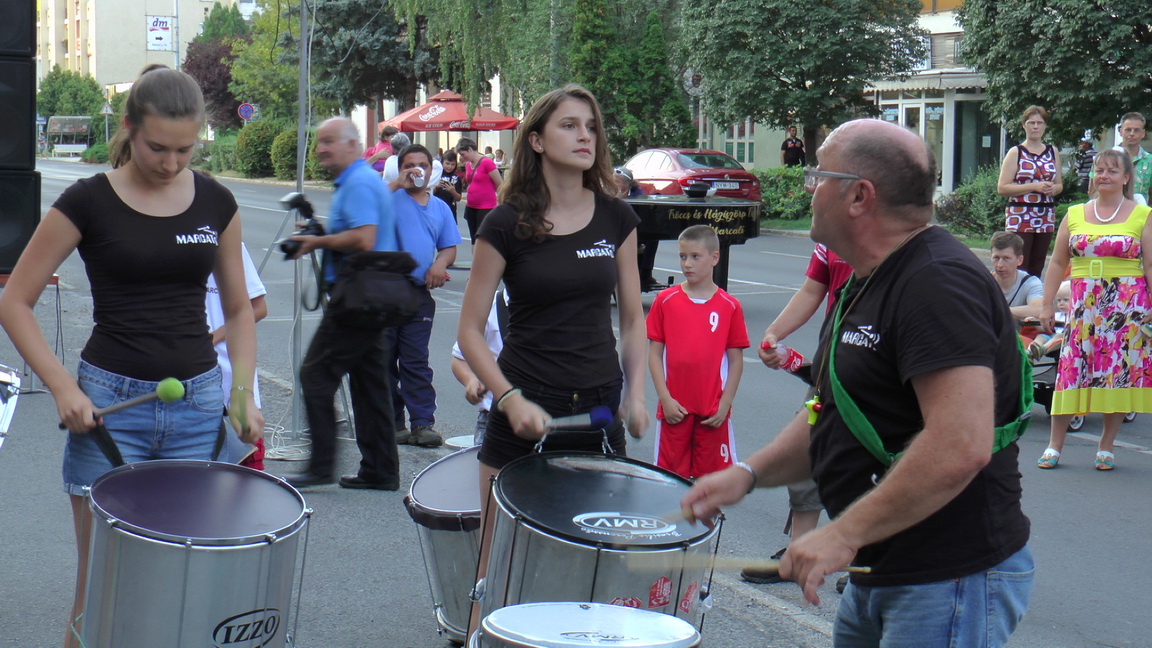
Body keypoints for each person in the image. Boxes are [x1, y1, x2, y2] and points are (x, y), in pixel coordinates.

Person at [681, 119, 1033, 647]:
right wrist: (749, 474)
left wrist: (841, 534)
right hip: (884, 567)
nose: (808, 187)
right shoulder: (869, 278)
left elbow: (961, 444)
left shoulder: (936, 282)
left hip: (948, 576)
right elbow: (829, 412)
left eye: (818, 175)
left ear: (859, 196)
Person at [0, 65, 263, 648]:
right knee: (101, 590)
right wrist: (63, 387)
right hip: (109, 409)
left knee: (179, 588)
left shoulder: (216, 201)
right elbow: (14, 301)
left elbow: (240, 310)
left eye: (185, 150)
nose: (171, 163)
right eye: (157, 148)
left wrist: (242, 393)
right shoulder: (87, 201)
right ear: (129, 127)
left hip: (197, 408)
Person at [457, 84, 650, 635]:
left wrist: (636, 394)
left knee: (595, 569)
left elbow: (632, 320)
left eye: (591, 126)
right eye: (569, 125)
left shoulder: (617, 218)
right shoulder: (505, 223)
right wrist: (509, 398)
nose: (585, 135)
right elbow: (469, 331)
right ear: (537, 141)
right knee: (498, 566)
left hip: (599, 407)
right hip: (524, 403)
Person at [283, 117, 400, 490]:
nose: (321, 149)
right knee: (370, 384)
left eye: (329, 141)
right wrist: (321, 233)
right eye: (319, 142)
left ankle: (321, 467)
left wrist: (317, 242)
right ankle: (381, 470)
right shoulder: (360, 179)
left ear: (352, 144)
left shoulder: (359, 182)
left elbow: (364, 239)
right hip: (373, 294)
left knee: (316, 375)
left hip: (357, 297)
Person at [741, 241, 851, 586]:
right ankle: (798, 554)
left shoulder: (890, 233)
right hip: (830, 369)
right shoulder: (831, 240)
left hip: (877, 371)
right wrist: (774, 332)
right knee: (808, 451)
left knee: (868, 465)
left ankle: (867, 561)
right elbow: (811, 290)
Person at [1037, 148, 1152, 471]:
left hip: (1127, 307)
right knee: (1071, 371)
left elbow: (1150, 264)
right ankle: (1054, 445)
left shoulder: (1143, 215)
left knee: (1118, 374)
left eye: (1112, 171)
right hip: (1083, 306)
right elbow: (1057, 262)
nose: (1104, 176)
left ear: (1126, 177)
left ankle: (1106, 445)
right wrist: (1047, 304)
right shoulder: (1074, 213)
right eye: (1099, 170)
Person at [647, 224, 749, 479]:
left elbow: (736, 361)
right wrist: (665, 399)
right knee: (669, 481)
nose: (687, 264)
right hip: (675, 411)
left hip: (712, 412)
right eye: (682, 256)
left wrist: (725, 404)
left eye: (695, 256)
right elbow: (655, 355)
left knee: (712, 483)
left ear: (714, 258)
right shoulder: (665, 301)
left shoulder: (729, 306)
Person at [387, 144, 461, 448]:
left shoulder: (440, 207)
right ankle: (392, 422)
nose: (416, 170)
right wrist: (397, 183)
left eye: (422, 165)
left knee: (415, 360)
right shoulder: (389, 197)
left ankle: (422, 423)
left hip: (418, 294)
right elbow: (362, 208)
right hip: (385, 291)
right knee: (383, 360)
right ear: (400, 169)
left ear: (431, 170)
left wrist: (440, 264)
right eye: (409, 165)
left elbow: (449, 247)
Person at [209, 242, 269, 469]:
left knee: (246, 475)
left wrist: (213, 337)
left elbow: (258, 307)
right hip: (187, 382)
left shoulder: (225, 242)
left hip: (231, 377)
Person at [998, 105, 1063, 278]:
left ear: (1045, 126)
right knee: (1020, 263)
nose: (1035, 127)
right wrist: (1033, 187)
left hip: (1045, 214)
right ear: (1024, 125)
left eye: (1039, 123)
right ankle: (1014, 294)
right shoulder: (1016, 152)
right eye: (1031, 123)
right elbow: (1002, 188)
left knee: (1037, 264)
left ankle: (1033, 294)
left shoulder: (1052, 152)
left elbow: (1059, 184)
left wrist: (1053, 189)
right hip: (1021, 214)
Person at [451, 288, 508, 445]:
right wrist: (470, 380)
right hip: (493, 417)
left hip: (546, 415)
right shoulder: (492, 304)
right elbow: (459, 360)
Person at [989, 231, 1044, 321]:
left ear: (1019, 260)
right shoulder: (983, 281)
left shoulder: (1030, 283)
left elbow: (1038, 309)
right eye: (996, 258)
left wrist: (998, 311)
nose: (999, 265)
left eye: (1006, 258)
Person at [457, 137, 503, 243]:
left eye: (463, 154)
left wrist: (500, 203)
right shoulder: (468, 165)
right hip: (471, 206)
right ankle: (474, 254)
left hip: (485, 207)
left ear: (470, 149)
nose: (462, 157)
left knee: (483, 238)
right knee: (474, 238)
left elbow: (500, 184)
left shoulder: (487, 163)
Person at [1105, 112, 1152, 203]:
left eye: (1136, 130)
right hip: (1111, 209)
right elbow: (1093, 191)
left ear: (1143, 133)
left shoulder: (1150, 161)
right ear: (1120, 131)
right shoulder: (1105, 159)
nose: (1132, 134)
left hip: (1140, 210)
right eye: (1128, 130)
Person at [1028, 280, 1071, 361]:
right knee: (1040, 336)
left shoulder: (1074, 317)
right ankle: (1029, 352)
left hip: (1066, 342)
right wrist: (1034, 322)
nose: (1061, 303)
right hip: (1052, 338)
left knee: (1059, 336)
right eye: (1059, 300)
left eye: (1066, 300)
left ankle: (1042, 350)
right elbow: (1045, 328)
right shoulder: (1056, 316)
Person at [435, 148, 464, 222]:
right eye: (447, 163)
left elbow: (458, 198)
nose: (450, 167)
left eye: (452, 164)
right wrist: (436, 187)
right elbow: (428, 193)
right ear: (442, 162)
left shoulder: (456, 178)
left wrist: (453, 192)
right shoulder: (436, 175)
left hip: (451, 209)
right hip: (436, 208)